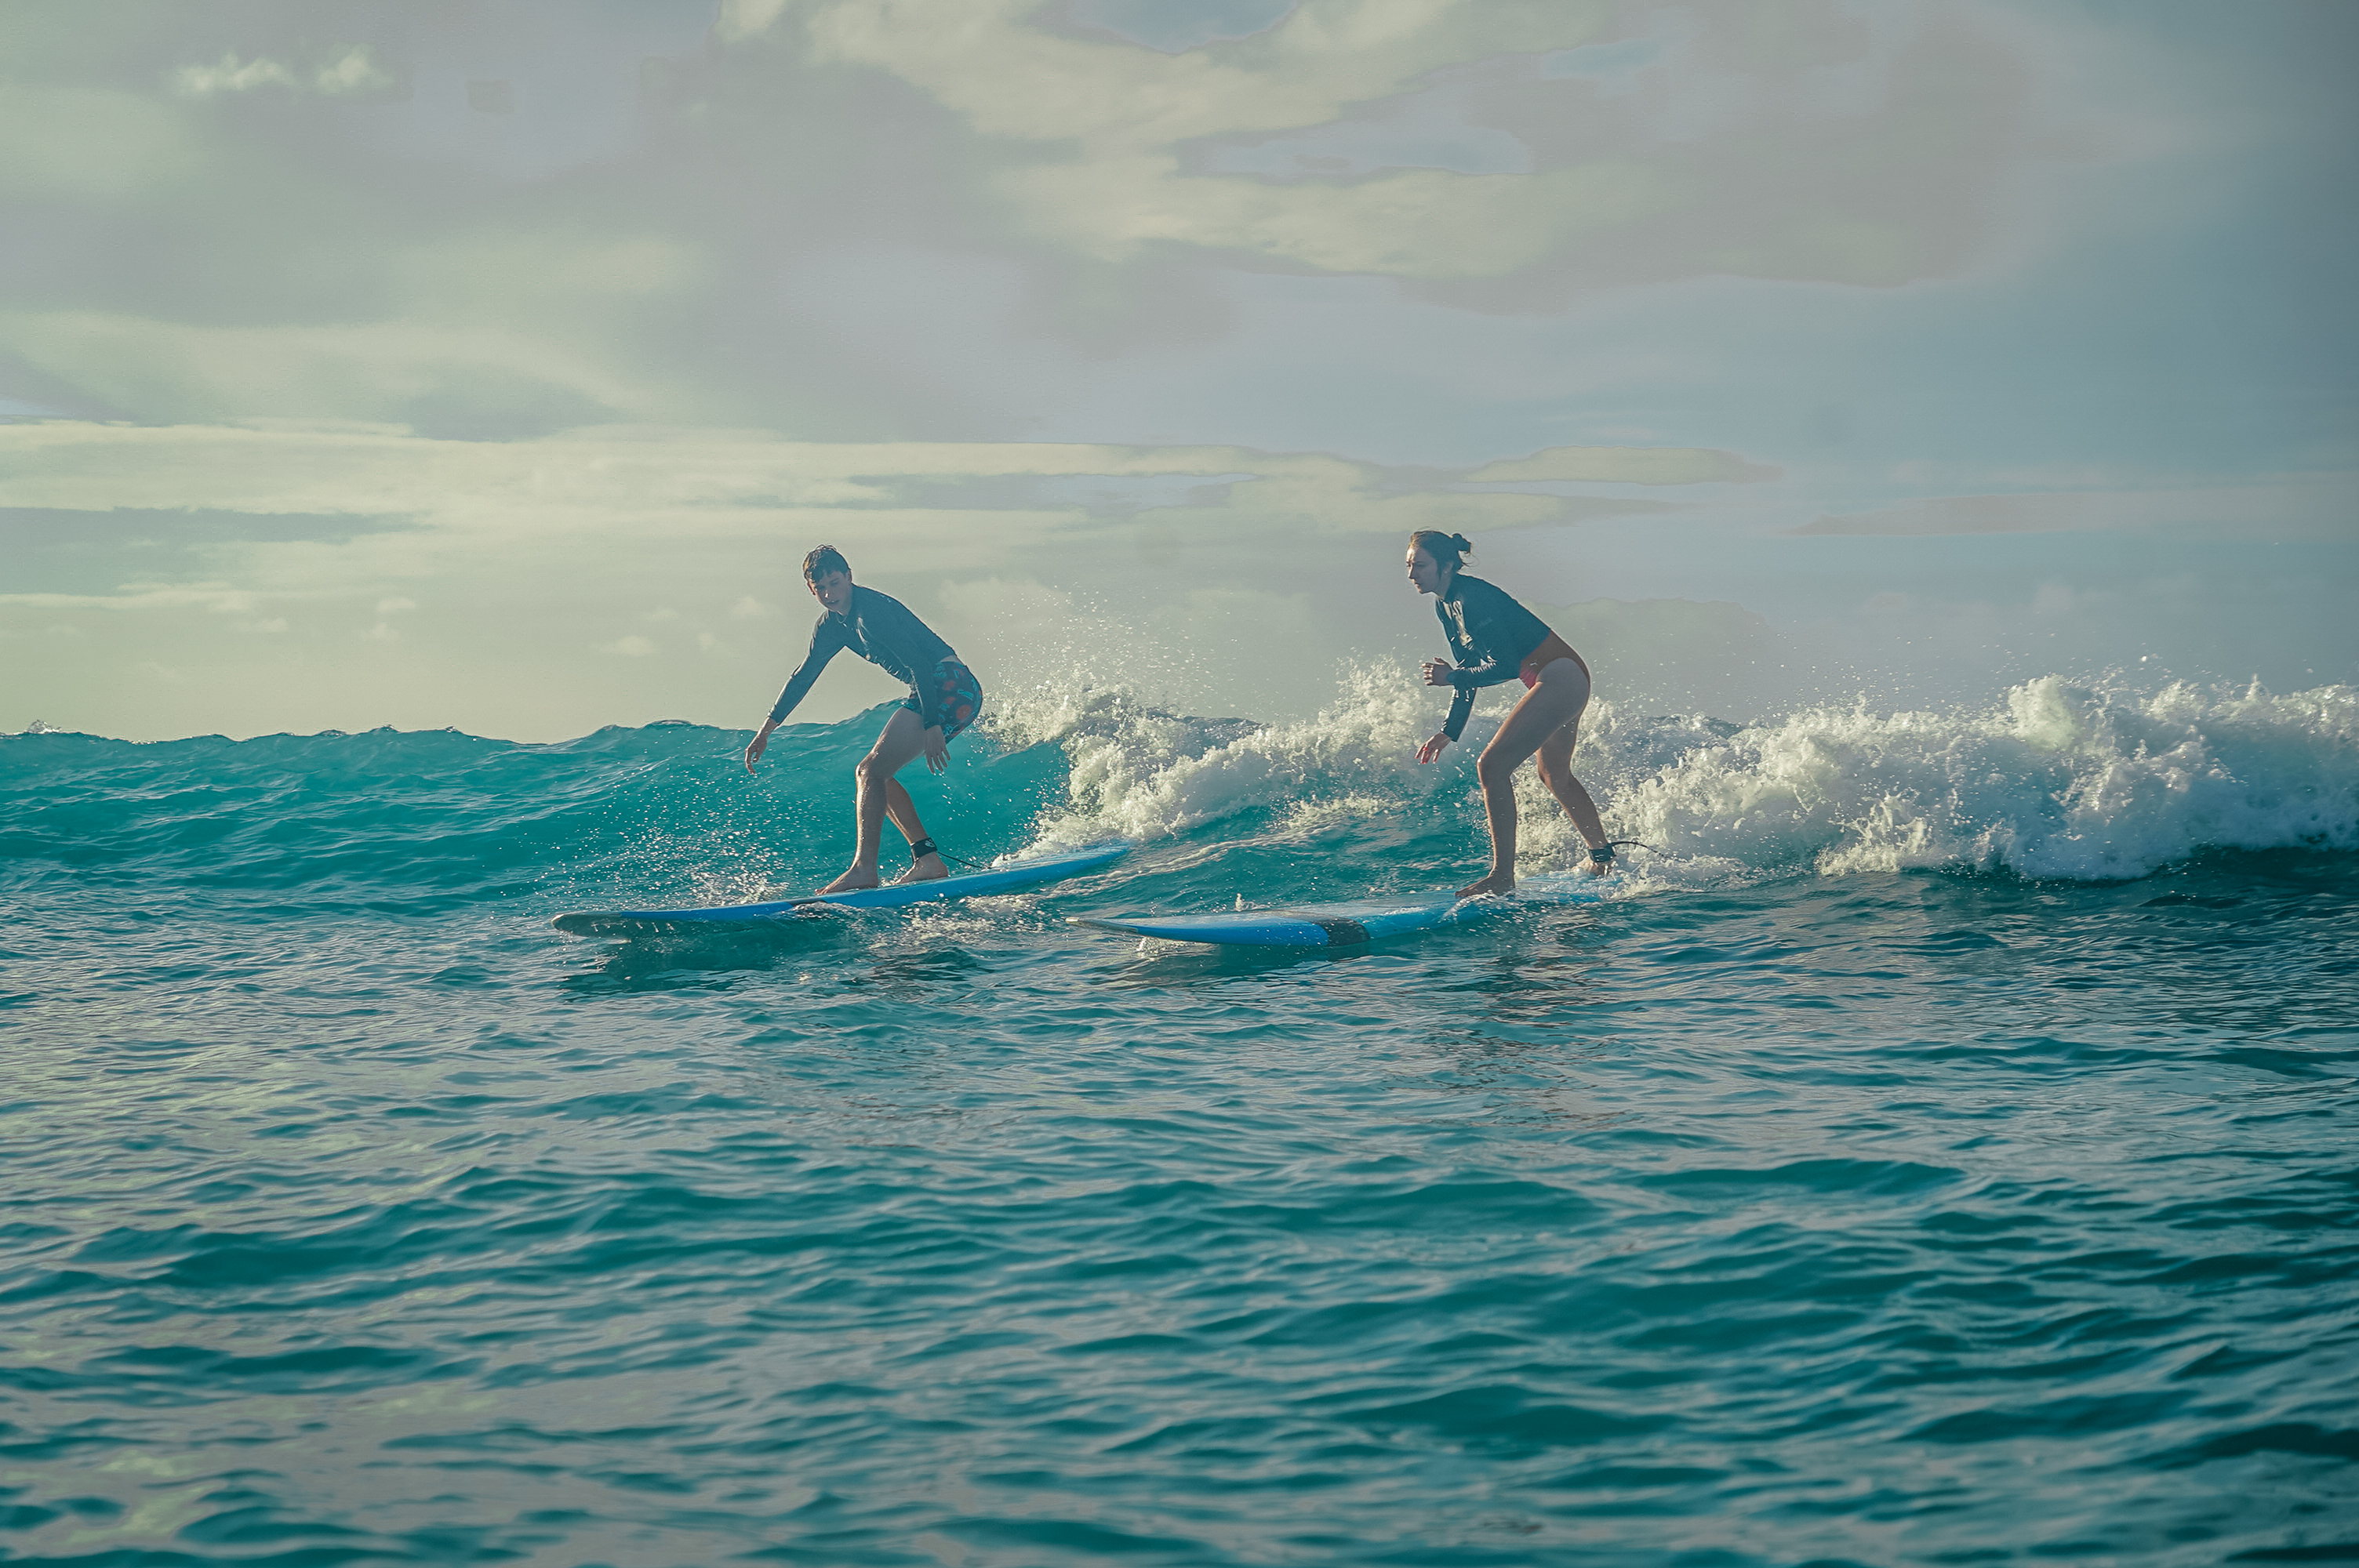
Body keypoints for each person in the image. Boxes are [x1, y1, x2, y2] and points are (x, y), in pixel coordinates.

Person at [743, 546, 983, 893]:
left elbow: (918, 664)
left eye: (835, 583)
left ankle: (863, 870)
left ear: (849, 577)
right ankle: (927, 859)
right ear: (811, 590)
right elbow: (804, 675)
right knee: (876, 777)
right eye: (820, 588)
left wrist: (932, 725)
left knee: (869, 771)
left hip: (948, 685)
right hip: (943, 688)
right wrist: (766, 731)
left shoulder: (871, 612)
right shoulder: (831, 626)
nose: (829, 594)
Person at [1406, 529, 1614, 898]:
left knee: (1491, 766)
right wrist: (1449, 731)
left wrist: (1450, 677)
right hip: (1559, 678)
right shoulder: (1445, 604)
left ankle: (1502, 876)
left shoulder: (1474, 598)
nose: (1412, 574)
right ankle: (1602, 857)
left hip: (1558, 676)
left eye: (1420, 565)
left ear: (1448, 566)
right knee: (1554, 775)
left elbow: (1499, 665)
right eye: (1409, 566)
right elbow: (1471, 667)